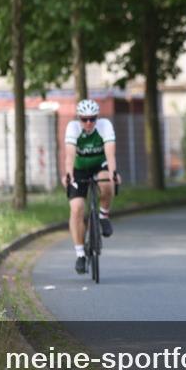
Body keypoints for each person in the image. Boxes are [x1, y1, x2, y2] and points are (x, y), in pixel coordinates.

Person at [62, 99, 120, 275]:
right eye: (84, 119)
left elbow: (110, 152)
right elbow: (70, 155)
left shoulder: (104, 126)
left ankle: (103, 215)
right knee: (77, 209)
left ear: (97, 118)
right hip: (79, 169)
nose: (88, 123)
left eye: (92, 119)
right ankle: (80, 254)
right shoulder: (73, 128)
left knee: (106, 181)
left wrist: (113, 172)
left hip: (99, 165)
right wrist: (69, 173)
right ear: (79, 118)